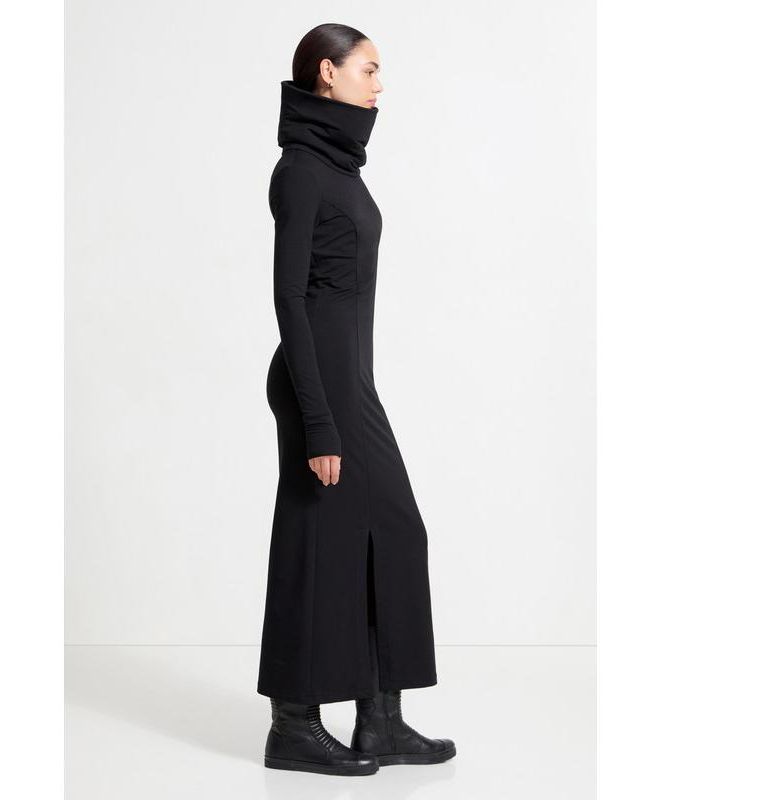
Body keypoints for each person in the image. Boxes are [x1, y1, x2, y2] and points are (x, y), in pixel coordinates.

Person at [258, 23, 456, 776]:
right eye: (368, 69)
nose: (379, 85)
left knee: (394, 532)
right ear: (326, 73)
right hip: (318, 382)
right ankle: (292, 726)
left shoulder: (339, 165)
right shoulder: (301, 171)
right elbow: (289, 298)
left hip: (349, 380)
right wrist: (319, 422)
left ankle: (381, 721)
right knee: (314, 543)